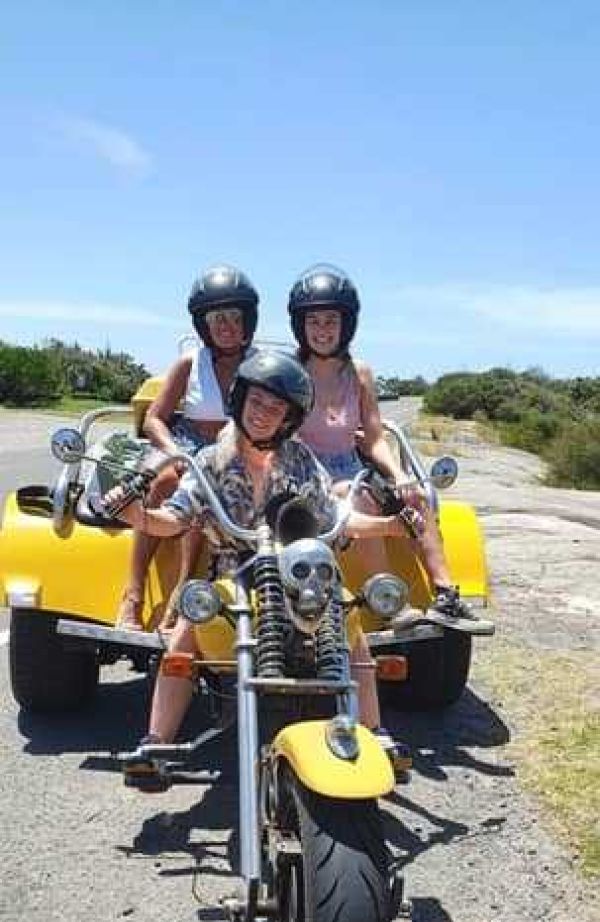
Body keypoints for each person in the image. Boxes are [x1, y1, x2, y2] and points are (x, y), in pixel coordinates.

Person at [102, 350, 411, 778]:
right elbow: (173, 517)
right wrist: (135, 514)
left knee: (347, 618)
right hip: (235, 578)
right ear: (240, 400)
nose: (264, 414)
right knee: (188, 632)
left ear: (290, 417)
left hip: (297, 578)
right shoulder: (209, 461)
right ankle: (156, 745)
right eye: (258, 402)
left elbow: (334, 516)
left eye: (277, 407)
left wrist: (391, 526)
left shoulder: (301, 459)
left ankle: (376, 733)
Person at [288, 263, 494, 633]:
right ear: (300, 325)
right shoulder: (289, 371)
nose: (322, 330)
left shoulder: (360, 372)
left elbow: (373, 435)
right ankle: (389, 601)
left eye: (330, 321)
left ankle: (446, 595)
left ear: (345, 324)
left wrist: (400, 477)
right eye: (313, 321)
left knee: (417, 497)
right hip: (305, 470)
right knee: (357, 498)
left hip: (352, 467)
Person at [115, 264, 258, 630]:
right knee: (164, 481)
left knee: (206, 492)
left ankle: (182, 597)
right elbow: (154, 418)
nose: (226, 326)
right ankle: (132, 593)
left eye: (234, 317)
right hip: (186, 442)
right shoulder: (188, 363)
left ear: (248, 321)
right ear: (203, 324)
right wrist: (173, 452)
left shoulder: (262, 366)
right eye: (217, 318)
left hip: (239, 450)